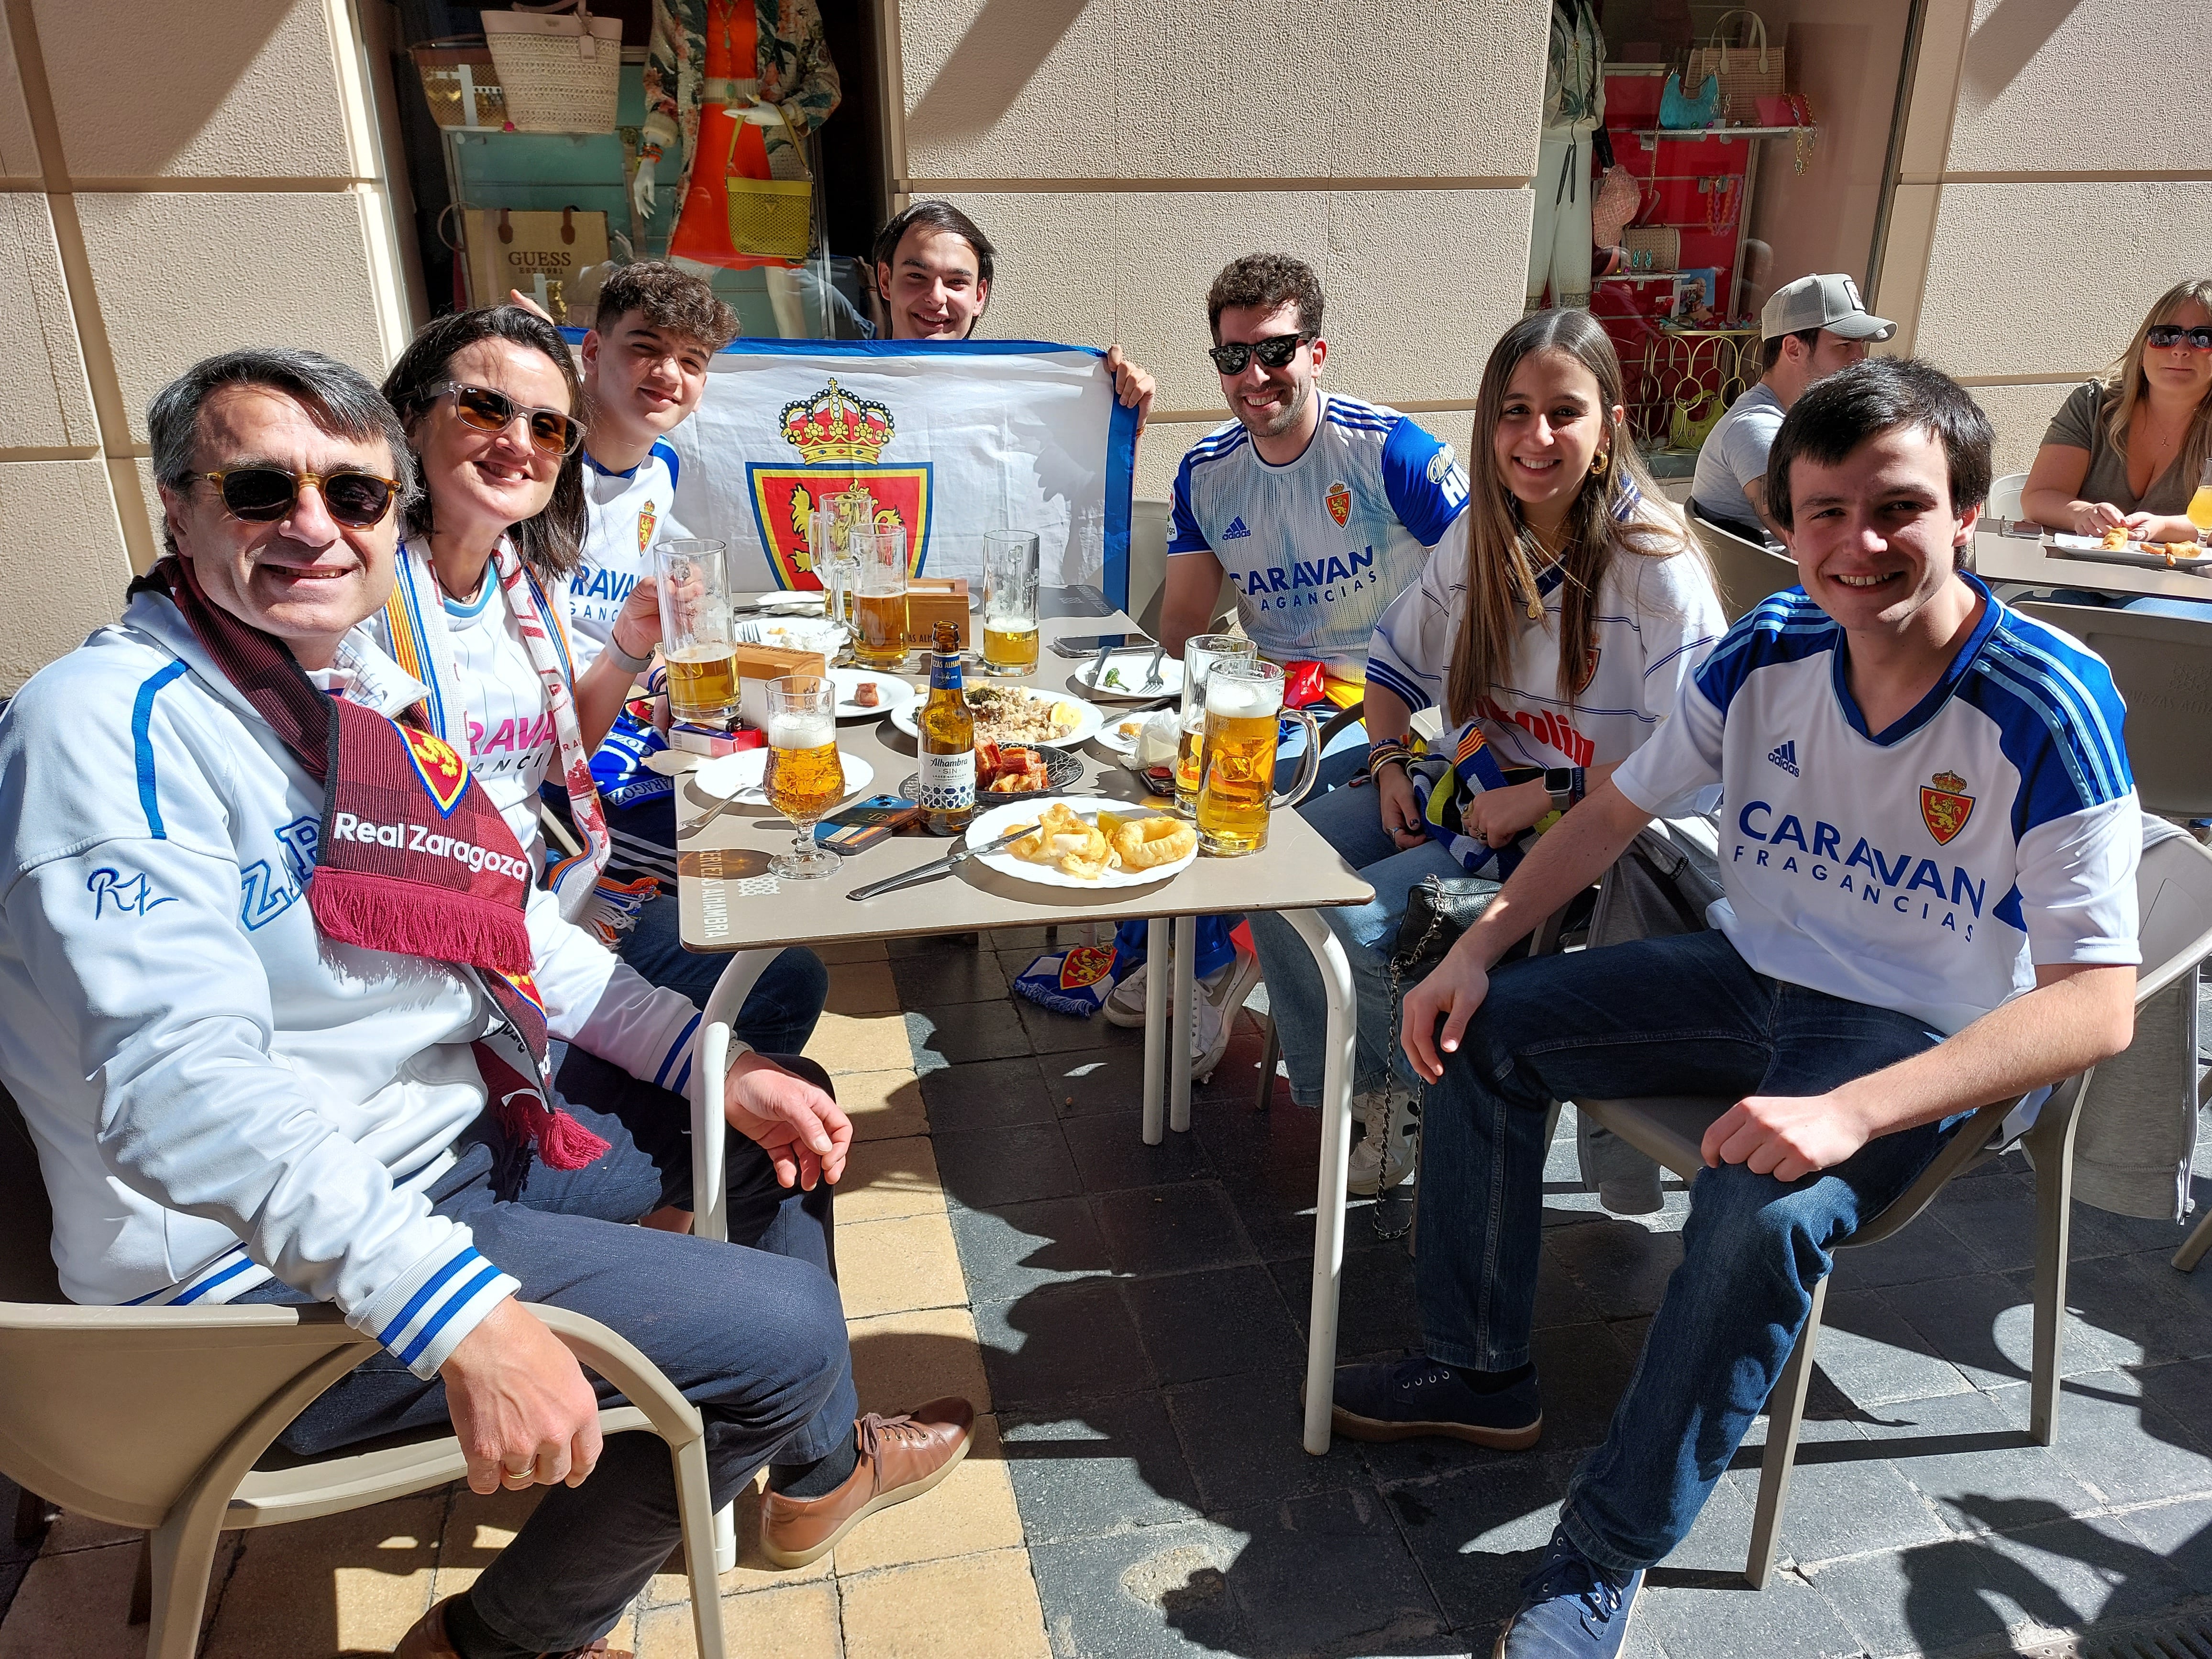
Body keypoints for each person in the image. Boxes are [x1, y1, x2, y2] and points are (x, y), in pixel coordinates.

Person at [0, 348, 972, 1659]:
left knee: (773, 1119)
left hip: (440, 1150)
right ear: (176, 508)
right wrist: (456, 1310)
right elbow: (181, 1087)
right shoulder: (105, 725)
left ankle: (795, 1473)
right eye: (260, 487)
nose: (312, 525)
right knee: (787, 1330)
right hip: (239, 1300)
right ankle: (510, 1638)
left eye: (352, 496)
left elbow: (507, 929)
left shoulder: (338, 690)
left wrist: (704, 1058)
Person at [1335, 357, 2141, 1658]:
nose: (1857, 544)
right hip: (1751, 974)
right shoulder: (1770, 647)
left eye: (1898, 508)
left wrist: (1850, 1113)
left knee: (1754, 1211)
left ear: (1967, 513)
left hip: (1923, 1039)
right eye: (1821, 512)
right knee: (1484, 1027)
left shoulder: (2048, 698)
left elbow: (2099, 1005)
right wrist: (1479, 945)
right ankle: (1482, 1369)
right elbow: (1609, 811)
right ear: (1781, 525)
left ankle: (1600, 1555)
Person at [1244, 308, 1724, 1196]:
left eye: (1562, 411)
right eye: (1512, 410)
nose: (1533, 436)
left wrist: (1543, 793)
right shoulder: (1478, 540)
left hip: (1599, 843)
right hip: (1466, 796)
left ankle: (1400, 1108)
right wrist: (1388, 761)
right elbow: (1388, 671)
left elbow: (1693, 767)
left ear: (1610, 424)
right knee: (1272, 872)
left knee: (1355, 922)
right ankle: (1350, 1095)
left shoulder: (1655, 570)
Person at [363, 304, 828, 1036]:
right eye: (486, 408)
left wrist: (627, 646)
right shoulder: (359, 598)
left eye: (548, 427)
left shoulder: (520, 576)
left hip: (542, 892)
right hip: (439, 948)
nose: (519, 441)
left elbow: (554, 758)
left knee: (784, 974)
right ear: (411, 419)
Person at [1110, 252, 1477, 1073]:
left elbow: (1486, 595)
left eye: (1275, 349)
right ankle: (1197, 962)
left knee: (1249, 808)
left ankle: (1217, 969)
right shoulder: (1207, 472)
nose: (1254, 375)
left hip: (1402, 707)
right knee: (1155, 775)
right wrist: (1162, 727)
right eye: (1232, 356)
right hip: (1276, 702)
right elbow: (1181, 621)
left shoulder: (1393, 454)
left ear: (1316, 350)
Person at [567, 261, 738, 669]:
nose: (668, 374)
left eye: (692, 362)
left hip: (621, 693)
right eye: (645, 348)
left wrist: (661, 681)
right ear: (592, 352)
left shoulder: (664, 467)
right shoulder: (533, 463)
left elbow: (617, 636)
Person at [870, 199, 1155, 425]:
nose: (936, 297)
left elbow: (1090, 495)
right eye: (917, 276)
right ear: (885, 281)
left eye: (957, 282)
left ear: (979, 296)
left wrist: (1127, 418)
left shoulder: (1022, 396)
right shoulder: (839, 392)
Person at [1689, 272, 1895, 548]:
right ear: (1794, 349)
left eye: (1861, 346)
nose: (1860, 360)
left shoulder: (1802, 421)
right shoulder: (1757, 428)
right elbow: (1803, 540)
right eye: (1844, 345)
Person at [2022, 278, 2212, 546]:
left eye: (2203, 338)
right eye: (2165, 336)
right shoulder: (2093, 404)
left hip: (2175, 582)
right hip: (2070, 573)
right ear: (2144, 343)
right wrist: (2083, 513)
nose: (2180, 351)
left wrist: (2164, 526)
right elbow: (2039, 497)